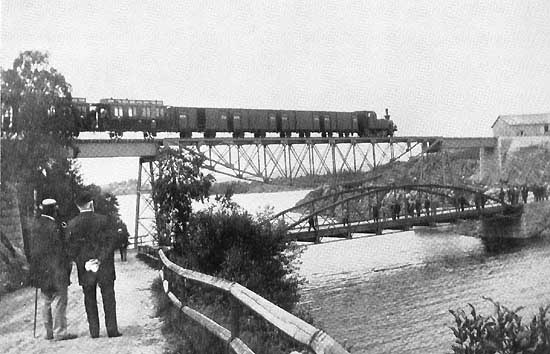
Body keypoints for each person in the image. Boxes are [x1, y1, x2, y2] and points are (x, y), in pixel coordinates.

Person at [67, 192, 122, 339]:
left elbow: (71, 250)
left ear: (77, 206)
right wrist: (99, 259)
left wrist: (84, 262)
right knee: (109, 297)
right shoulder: (104, 220)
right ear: (91, 204)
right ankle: (112, 330)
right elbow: (111, 243)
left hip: (85, 268)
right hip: (104, 265)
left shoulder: (72, 224)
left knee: (89, 298)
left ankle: (94, 331)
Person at [28, 199, 77, 341]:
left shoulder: (35, 225)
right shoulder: (55, 226)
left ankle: (48, 332)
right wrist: (66, 267)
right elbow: (60, 250)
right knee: (60, 299)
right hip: (56, 270)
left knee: (46, 300)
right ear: (54, 209)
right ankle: (60, 332)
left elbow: (32, 251)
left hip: (42, 272)